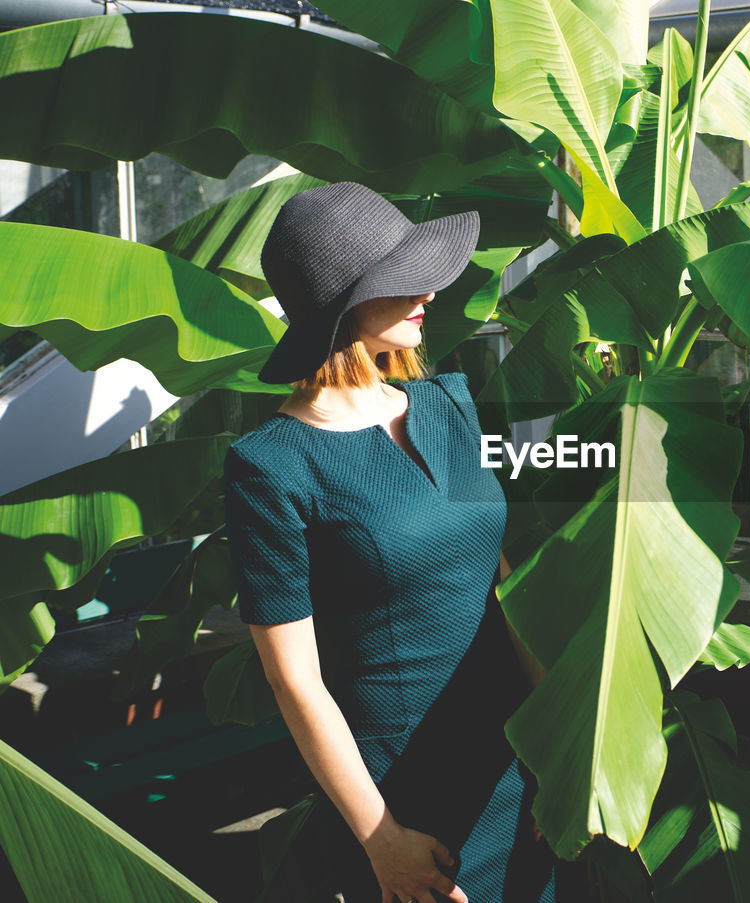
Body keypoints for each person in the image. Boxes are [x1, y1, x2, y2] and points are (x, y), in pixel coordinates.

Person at [222, 182, 554, 903]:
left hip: (512, 773)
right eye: (398, 279)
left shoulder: (448, 403)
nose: (427, 292)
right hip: (404, 800)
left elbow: (502, 583)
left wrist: (551, 751)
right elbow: (294, 679)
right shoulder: (271, 464)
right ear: (342, 304)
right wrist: (382, 841)